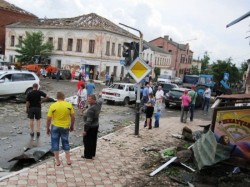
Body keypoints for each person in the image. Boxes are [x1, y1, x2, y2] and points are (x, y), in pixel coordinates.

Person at [46, 92, 75, 166]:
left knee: (55, 143)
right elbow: (73, 117)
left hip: (55, 126)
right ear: (63, 97)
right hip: (65, 127)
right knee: (65, 142)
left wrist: (47, 128)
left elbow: (49, 119)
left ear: (57, 97)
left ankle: (58, 161)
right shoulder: (68, 105)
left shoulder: (53, 105)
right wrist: (72, 126)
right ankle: (68, 160)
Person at [82, 94, 102, 159]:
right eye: (88, 99)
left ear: (94, 100)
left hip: (90, 127)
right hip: (96, 125)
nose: (88, 100)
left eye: (90, 99)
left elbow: (88, 121)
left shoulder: (91, 109)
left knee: (87, 141)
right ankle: (92, 153)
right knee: (93, 140)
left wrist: (85, 131)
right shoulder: (98, 104)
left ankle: (88, 155)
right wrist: (100, 95)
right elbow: (101, 100)